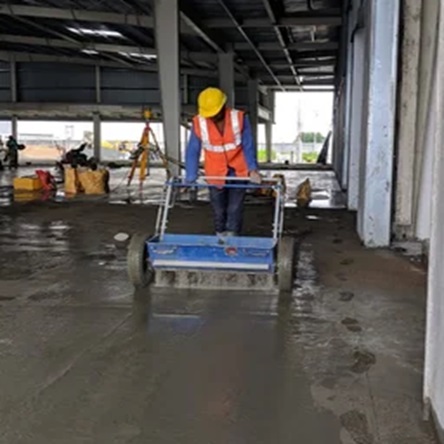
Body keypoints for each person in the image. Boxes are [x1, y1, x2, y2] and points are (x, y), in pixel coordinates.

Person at [185, 87, 261, 236]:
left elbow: (248, 145)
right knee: (218, 209)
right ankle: (220, 234)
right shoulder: (199, 122)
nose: (212, 117)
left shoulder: (239, 118)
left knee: (234, 207)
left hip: (238, 170)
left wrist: (252, 169)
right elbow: (193, 149)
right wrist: (190, 175)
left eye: (215, 113)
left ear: (223, 106)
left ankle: (232, 236)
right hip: (215, 171)